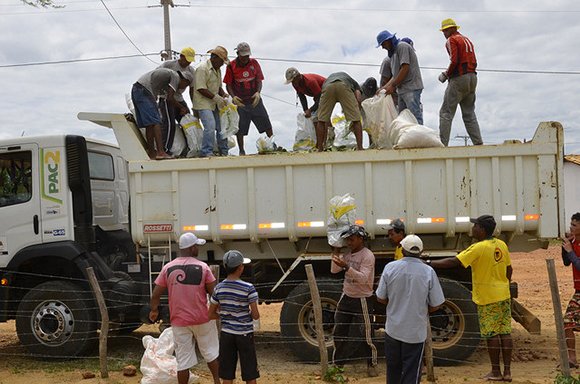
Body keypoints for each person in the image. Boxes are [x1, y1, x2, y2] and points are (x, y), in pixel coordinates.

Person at [430, 215, 513, 382]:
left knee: (491, 334)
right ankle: (508, 372)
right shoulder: (501, 244)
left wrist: (430, 263)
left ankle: (495, 372)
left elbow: (454, 261)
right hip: (503, 294)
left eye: (475, 226)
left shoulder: (478, 247)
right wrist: (504, 284)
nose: (472, 229)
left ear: (482, 229)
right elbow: (509, 269)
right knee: (505, 333)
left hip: (488, 297)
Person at [149, 232, 220, 384]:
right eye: (197, 246)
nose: (198, 249)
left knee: (183, 361)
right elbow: (214, 294)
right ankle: (217, 381)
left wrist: (154, 310)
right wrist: (218, 312)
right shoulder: (203, 268)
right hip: (202, 319)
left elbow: (155, 294)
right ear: (192, 248)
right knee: (211, 353)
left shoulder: (168, 268)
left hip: (179, 321)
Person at [376, 235, 445, 384]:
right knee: (412, 371)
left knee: (393, 370)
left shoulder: (390, 267)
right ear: (421, 252)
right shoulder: (428, 272)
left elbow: (380, 297)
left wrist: (395, 303)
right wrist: (421, 310)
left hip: (393, 329)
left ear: (402, 250)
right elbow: (436, 304)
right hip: (415, 332)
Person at [330, 225, 378, 377]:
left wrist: (346, 267)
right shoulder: (348, 254)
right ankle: (338, 365)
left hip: (362, 299)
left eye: (351, 239)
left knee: (366, 334)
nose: (349, 242)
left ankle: (372, 364)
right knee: (339, 332)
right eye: (347, 240)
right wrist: (336, 251)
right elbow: (334, 270)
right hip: (347, 297)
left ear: (360, 239)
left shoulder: (367, 256)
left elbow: (363, 278)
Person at [209, 250, 260, 384]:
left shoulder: (218, 288)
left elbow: (210, 313)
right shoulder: (248, 288)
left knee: (227, 375)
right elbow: (255, 315)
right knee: (250, 374)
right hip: (245, 334)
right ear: (240, 268)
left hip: (227, 334)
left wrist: (224, 316)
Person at [438, 18, 483, 146]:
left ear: (452, 29)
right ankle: (478, 144)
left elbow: (455, 60)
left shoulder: (451, 40)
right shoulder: (467, 39)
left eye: (445, 31)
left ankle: (442, 145)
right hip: (472, 78)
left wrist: (446, 74)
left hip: (459, 78)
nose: (444, 34)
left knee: (445, 113)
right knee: (469, 114)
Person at [224, 42, 274, 156]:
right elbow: (228, 84)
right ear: (238, 54)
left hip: (254, 99)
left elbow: (259, 80)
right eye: (243, 56)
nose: (245, 58)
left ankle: (272, 144)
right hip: (240, 101)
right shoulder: (231, 66)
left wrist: (258, 93)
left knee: (265, 121)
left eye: (247, 55)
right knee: (240, 127)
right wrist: (233, 97)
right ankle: (242, 150)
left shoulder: (254, 63)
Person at [131, 68, 191, 160]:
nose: (183, 88)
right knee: (156, 121)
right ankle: (161, 152)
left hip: (137, 90)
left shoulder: (168, 79)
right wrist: (182, 107)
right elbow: (170, 98)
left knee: (150, 124)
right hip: (144, 91)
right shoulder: (175, 77)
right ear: (185, 80)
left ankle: (152, 153)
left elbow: (167, 97)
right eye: (185, 85)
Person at [376, 30, 424, 124]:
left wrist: (392, 86)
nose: (383, 47)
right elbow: (395, 76)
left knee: (414, 116)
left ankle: (419, 138)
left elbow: (405, 68)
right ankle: (408, 138)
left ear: (388, 40)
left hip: (411, 88)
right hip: (402, 90)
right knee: (403, 120)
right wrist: (383, 89)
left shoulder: (402, 46)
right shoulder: (392, 54)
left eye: (383, 44)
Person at [157, 47, 196, 155]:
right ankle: (165, 149)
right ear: (181, 56)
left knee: (188, 120)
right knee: (169, 123)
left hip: (178, 98)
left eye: (190, 60)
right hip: (165, 96)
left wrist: (193, 106)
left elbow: (191, 90)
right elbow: (156, 77)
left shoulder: (191, 71)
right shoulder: (168, 65)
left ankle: (191, 147)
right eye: (186, 59)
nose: (188, 62)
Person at [193, 46, 230, 157]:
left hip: (214, 103)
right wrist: (216, 98)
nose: (223, 64)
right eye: (222, 61)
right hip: (203, 103)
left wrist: (224, 95)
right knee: (210, 126)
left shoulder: (217, 70)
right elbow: (200, 88)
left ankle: (224, 151)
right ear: (214, 57)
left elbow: (219, 87)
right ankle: (206, 152)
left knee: (221, 127)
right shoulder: (202, 69)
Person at [316, 72, 364, 151]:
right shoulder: (355, 85)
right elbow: (358, 97)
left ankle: (320, 148)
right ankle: (360, 147)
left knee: (321, 120)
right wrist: (356, 111)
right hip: (343, 85)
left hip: (328, 87)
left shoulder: (328, 79)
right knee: (356, 120)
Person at [562, 212, 580, 368]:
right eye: (571, 224)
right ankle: (572, 359)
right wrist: (566, 245)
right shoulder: (573, 242)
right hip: (579, 292)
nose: (571, 227)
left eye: (574, 225)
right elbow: (567, 263)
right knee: (568, 322)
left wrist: (570, 251)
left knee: (568, 321)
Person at [379, 37, 413, 109]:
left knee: (410, 114)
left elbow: (400, 73)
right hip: (392, 93)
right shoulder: (388, 61)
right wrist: (383, 90)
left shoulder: (407, 59)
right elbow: (387, 80)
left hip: (403, 90)